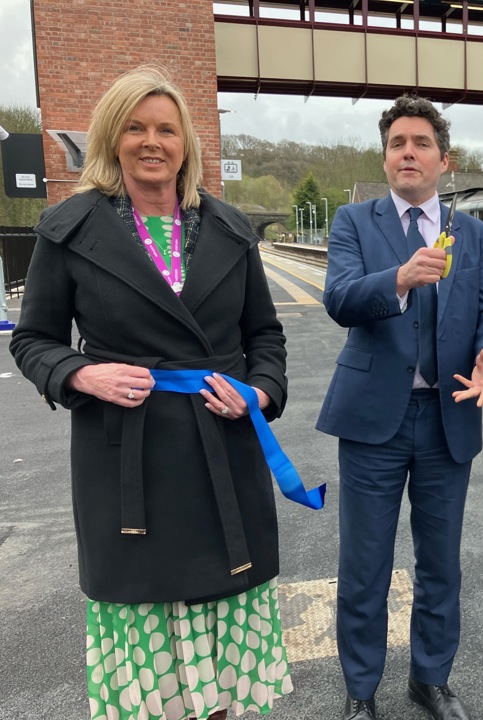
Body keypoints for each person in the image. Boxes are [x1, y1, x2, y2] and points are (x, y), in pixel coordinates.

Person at [9, 65, 292, 720]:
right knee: (151, 678)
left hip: (219, 454)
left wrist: (257, 394)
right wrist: (82, 374)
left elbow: (267, 339)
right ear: (112, 137)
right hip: (126, 467)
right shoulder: (68, 228)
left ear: (186, 142)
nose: (151, 141)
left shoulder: (229, 229)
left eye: (166, 128)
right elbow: (33, 340)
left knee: (218, 673)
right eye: (134, 127)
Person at [317, 93, 483, 720]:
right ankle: (361, 690)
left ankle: (429, 679)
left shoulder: (473, 235)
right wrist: (399, 279)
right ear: (386, 156)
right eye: (398, 143)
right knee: (366, 563)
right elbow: (341, 299)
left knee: (441, 563)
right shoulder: (354, 221)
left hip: (447, 417)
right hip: (374, 420)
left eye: (421, 142)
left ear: (443, 158)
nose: (409, 152)